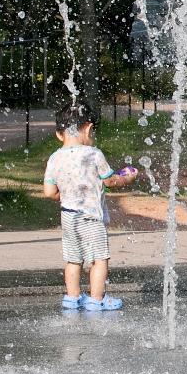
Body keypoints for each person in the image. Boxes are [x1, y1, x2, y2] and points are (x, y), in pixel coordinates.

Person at [42, 104, 138, 311]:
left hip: (68, 217)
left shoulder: (54, 158)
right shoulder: (93, 154)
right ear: (87, 128)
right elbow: (110, 181)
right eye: (92, 132)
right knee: (99, 258)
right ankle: (96, 299)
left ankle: (72, 298)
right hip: (91, 217)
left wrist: (66, 195)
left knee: (73, 260)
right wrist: (127, 178)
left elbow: (49, 192)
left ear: (60, 134)